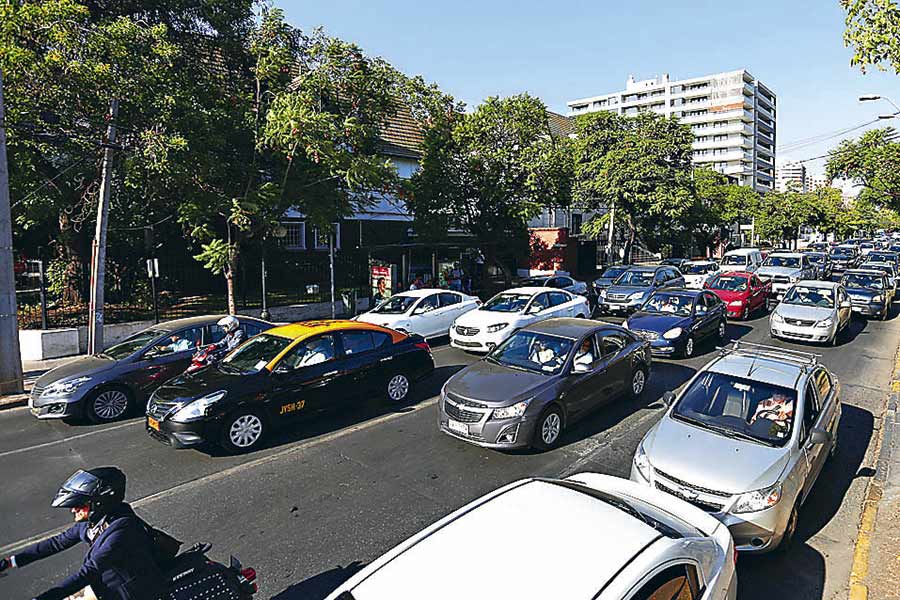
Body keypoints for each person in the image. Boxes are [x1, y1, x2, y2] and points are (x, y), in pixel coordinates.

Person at [0, 467, 167, 600]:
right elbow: (57, 543)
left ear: (99, 503)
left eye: (79, 505)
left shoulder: (122, 530)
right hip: (101, 583)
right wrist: (10, 562)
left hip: (126, 592)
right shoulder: (93, 521)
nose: (73, 510)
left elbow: (89, 571)